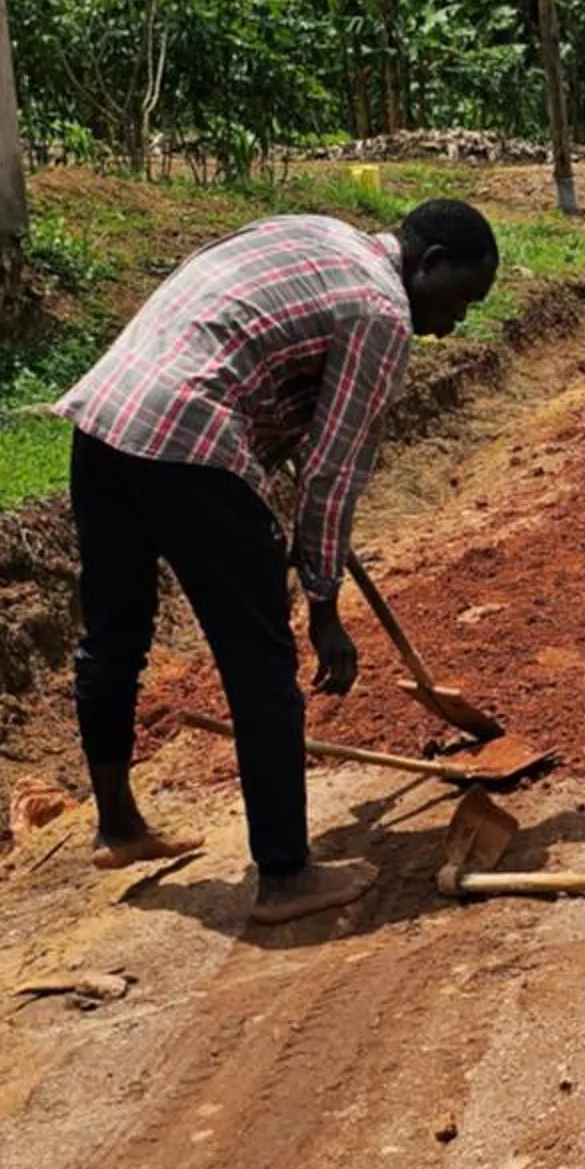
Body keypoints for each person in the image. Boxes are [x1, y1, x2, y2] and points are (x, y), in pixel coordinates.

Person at [57, 198, 499, 927]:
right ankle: (286, 875)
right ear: (430, 264)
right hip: (191, 438)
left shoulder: (319, 234)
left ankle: (119, 826)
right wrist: (324, 608)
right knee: (260, 664)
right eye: (462, 300)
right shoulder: (383, 313)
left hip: (107, 416)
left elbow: (254, 351)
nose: (455, 324)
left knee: (114, 634)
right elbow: (333, 472)